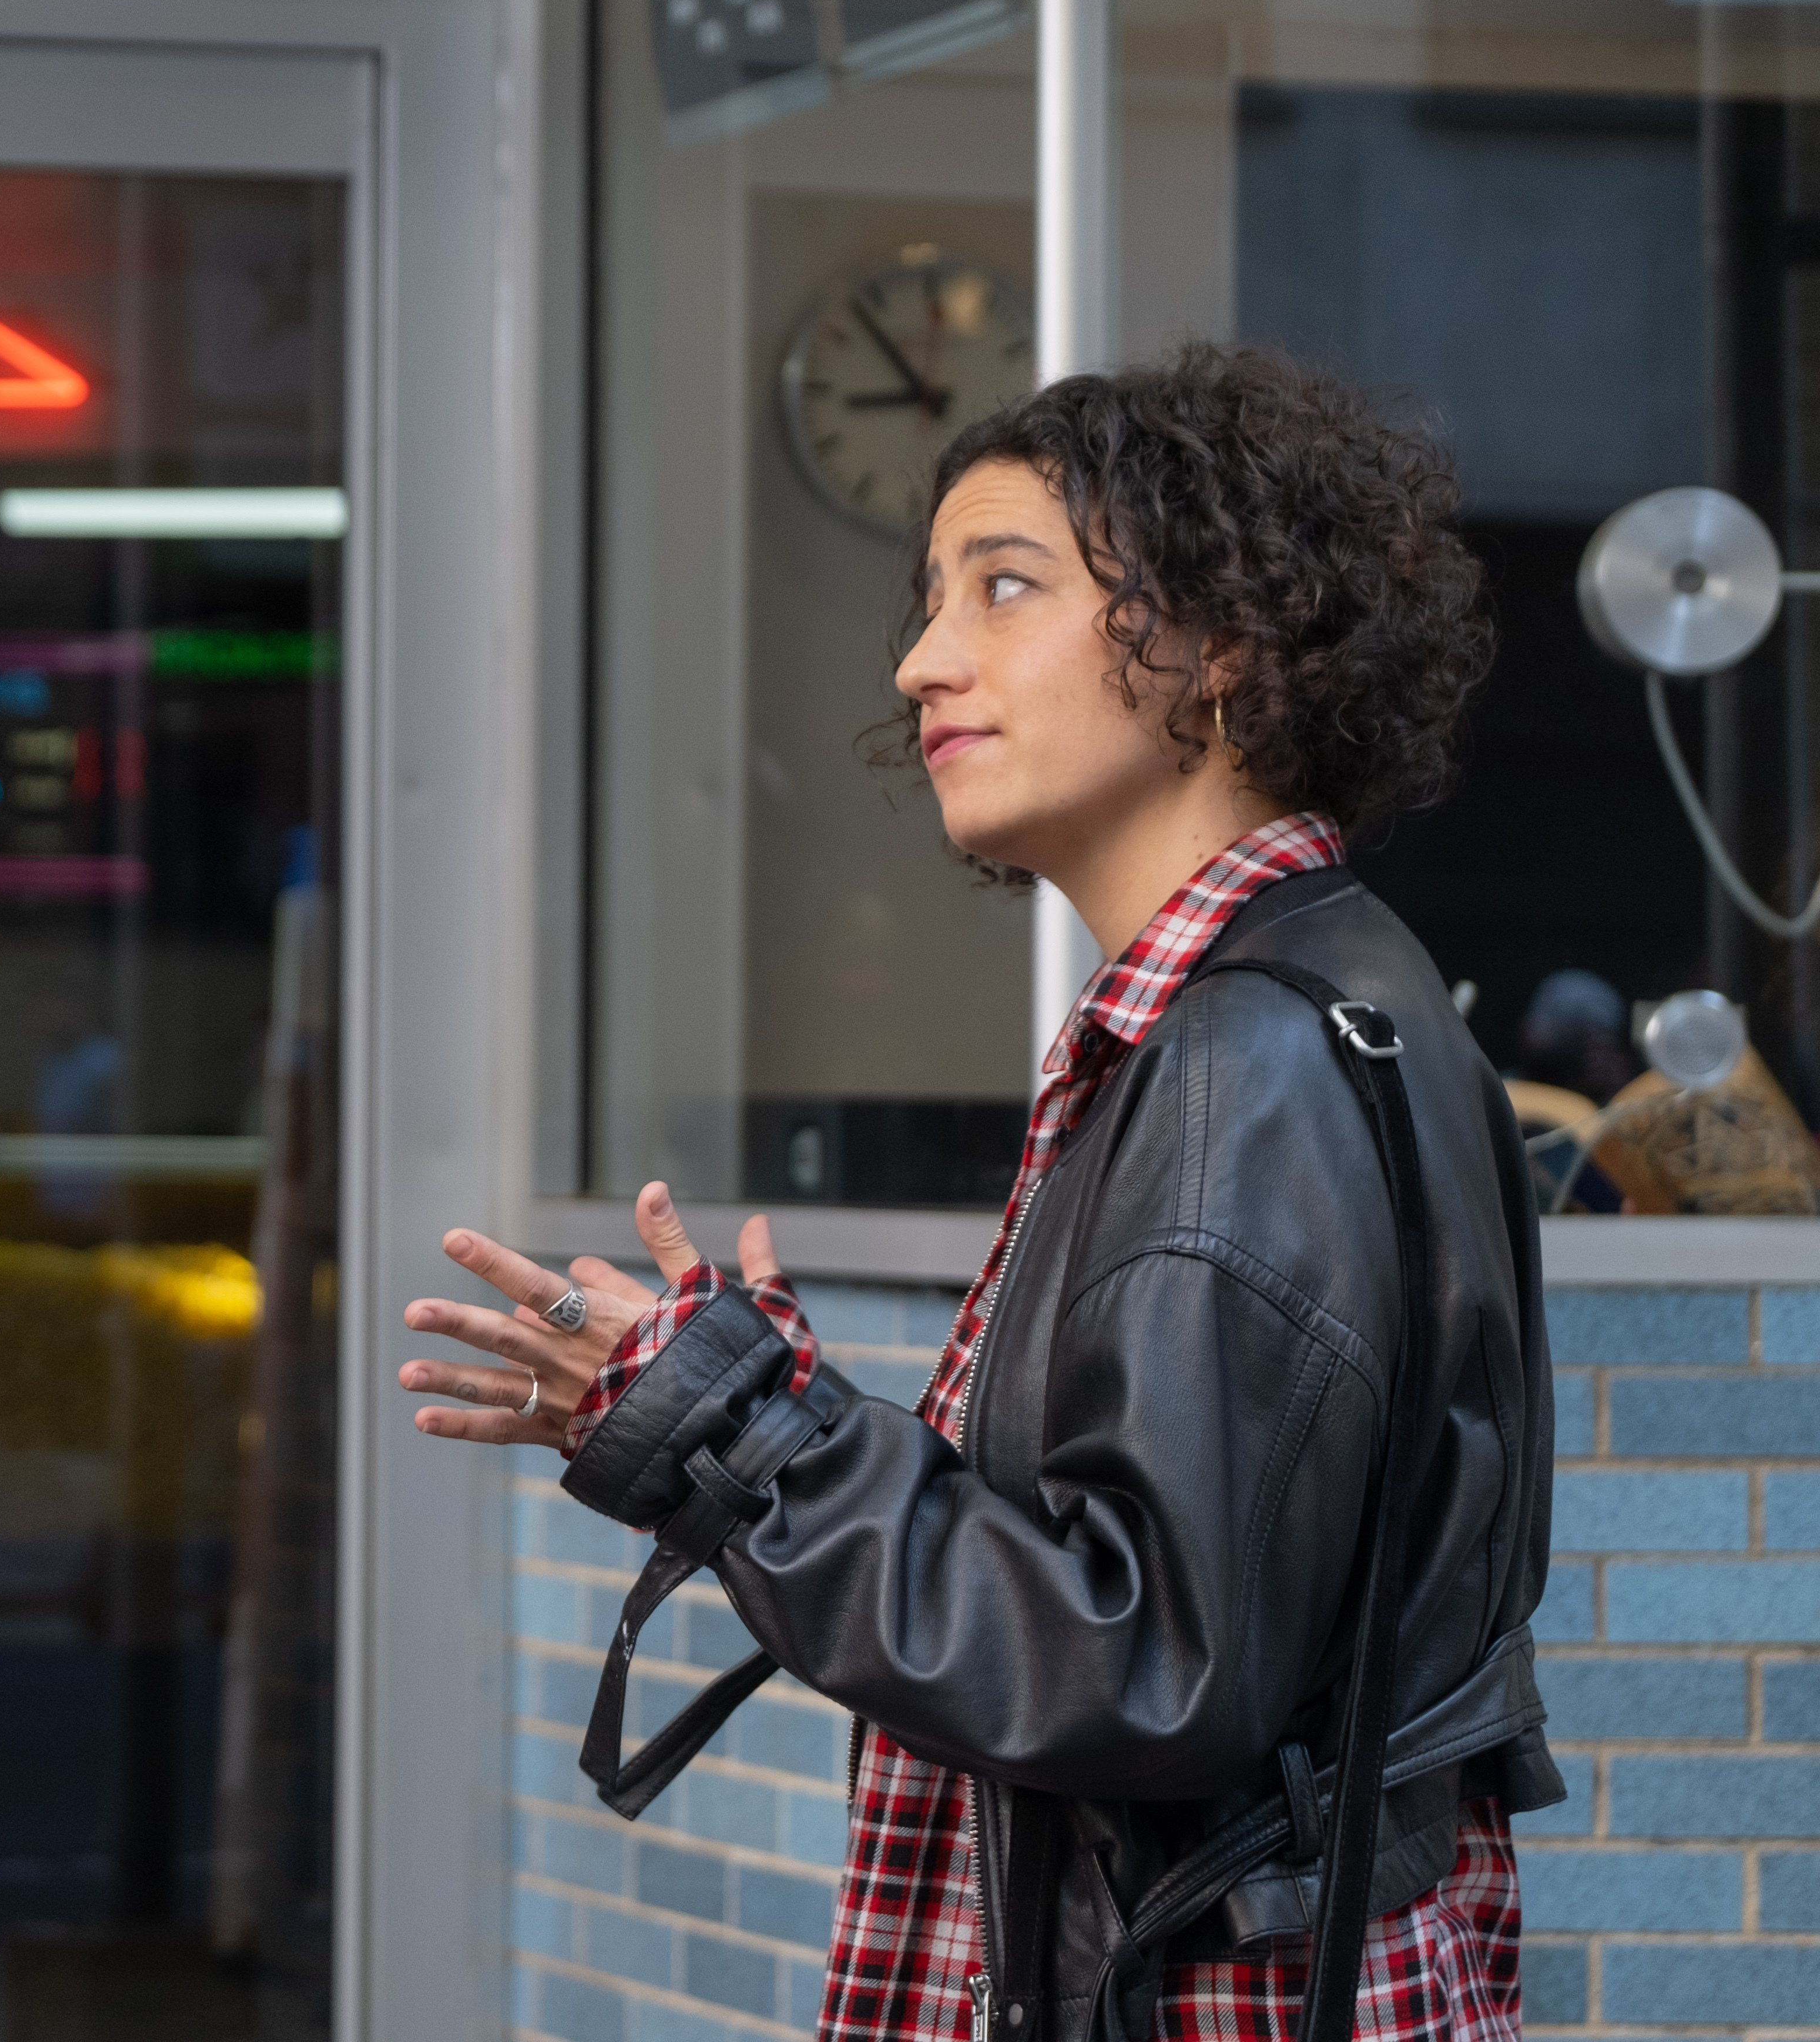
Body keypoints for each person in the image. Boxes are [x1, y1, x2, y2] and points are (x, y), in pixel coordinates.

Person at [401, 346, 1553, 2042]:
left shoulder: (1249, 1053)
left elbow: (1143, 1659)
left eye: (1003, 588)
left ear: (1223, 638)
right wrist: (770, 1409)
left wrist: (737, 1440)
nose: (927, 661)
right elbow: (1134, 1572)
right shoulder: (1281, 1001)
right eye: (930, 602)